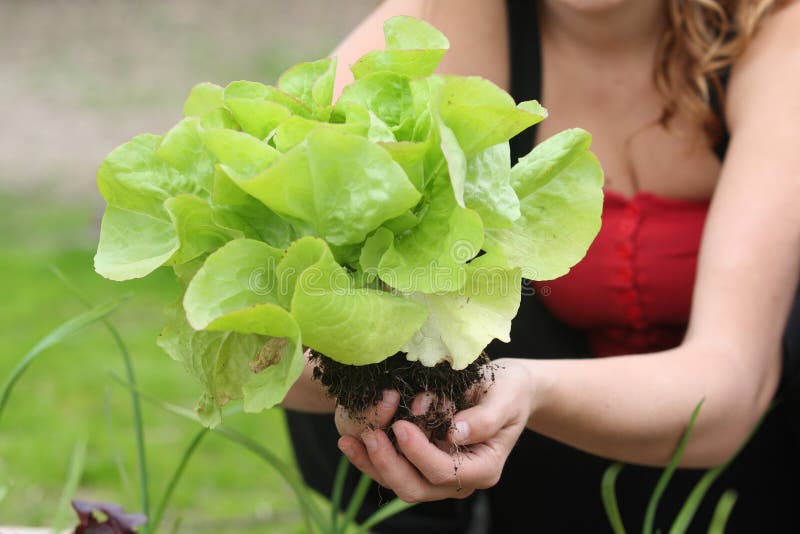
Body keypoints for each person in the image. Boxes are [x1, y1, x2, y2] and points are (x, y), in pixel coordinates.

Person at [281, 0, 800, 531]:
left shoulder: (774, 31)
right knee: (337, 288)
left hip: (758, 468)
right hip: (545, 463)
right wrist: (361, 374)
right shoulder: (459, 16)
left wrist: (532, 389)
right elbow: (266, 312)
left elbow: (731, 391)